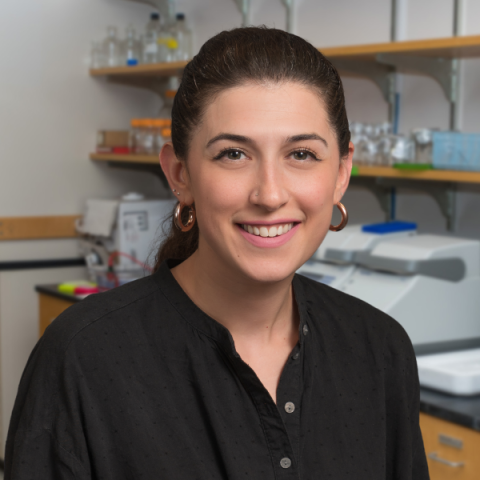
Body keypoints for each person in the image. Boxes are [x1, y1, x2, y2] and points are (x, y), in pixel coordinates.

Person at [5, 27, 429, 479]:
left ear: (342, 172)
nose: (269, 194)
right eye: (233, 154)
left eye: (301, 154)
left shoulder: (379, 348)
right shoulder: (83, 357)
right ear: (180, 173)